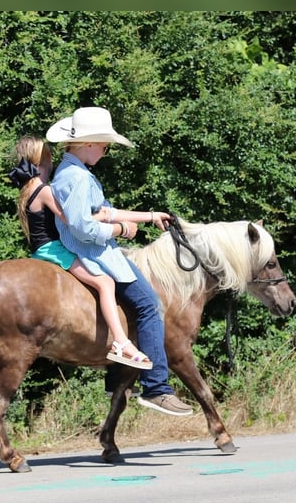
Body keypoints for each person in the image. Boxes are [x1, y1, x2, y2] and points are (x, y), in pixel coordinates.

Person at [46, 106, 194, 417]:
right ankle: (156, 388)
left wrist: (150, 216)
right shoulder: (80, 179)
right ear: (88, 144)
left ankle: (118, 379)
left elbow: (103, 211)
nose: (106, 150)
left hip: (93, 251)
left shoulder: (70, 171)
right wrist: (120, 231)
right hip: (97, 254)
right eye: (104, 144)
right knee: (149, 305)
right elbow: (83, 227)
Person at [8, 135, 152, 371]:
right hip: (54, 250)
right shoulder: (44, 190)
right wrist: (108, 221)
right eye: (50, 161)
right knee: (105, 282)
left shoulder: (28, 189)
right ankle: (120, 341)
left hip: (40, 250)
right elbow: (72, 222)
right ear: (43, 161)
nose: (53, 165)